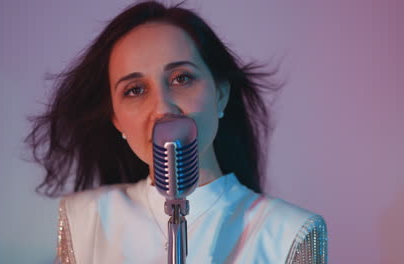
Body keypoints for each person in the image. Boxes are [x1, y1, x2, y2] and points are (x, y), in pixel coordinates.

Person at [26, 1, 327, 263]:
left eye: (181, 78)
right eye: (135, 90)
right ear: (116, 119)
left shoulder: (289, 233)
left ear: (220, 93)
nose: (162, 107)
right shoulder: (85, 220)